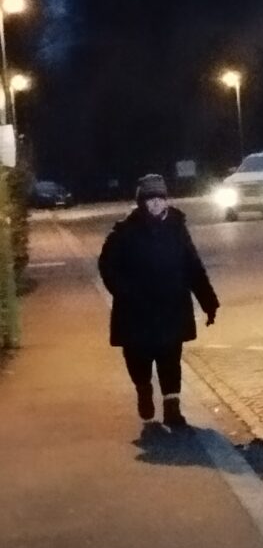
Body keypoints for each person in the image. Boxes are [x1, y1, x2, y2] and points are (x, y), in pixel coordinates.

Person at [97, 173, 219, 435]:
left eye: (160, 198)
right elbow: (107, 265)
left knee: (170, 358)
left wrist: (209, 301)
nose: (155, 203)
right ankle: (144, 389)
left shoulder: (177, 228)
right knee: (137, 357)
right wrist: (124, 292)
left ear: (166, 200)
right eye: (150, 199)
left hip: (171, 306)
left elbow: (192, 266)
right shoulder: (125, 231)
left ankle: (172, 408)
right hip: (136, 311)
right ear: (141, 202)